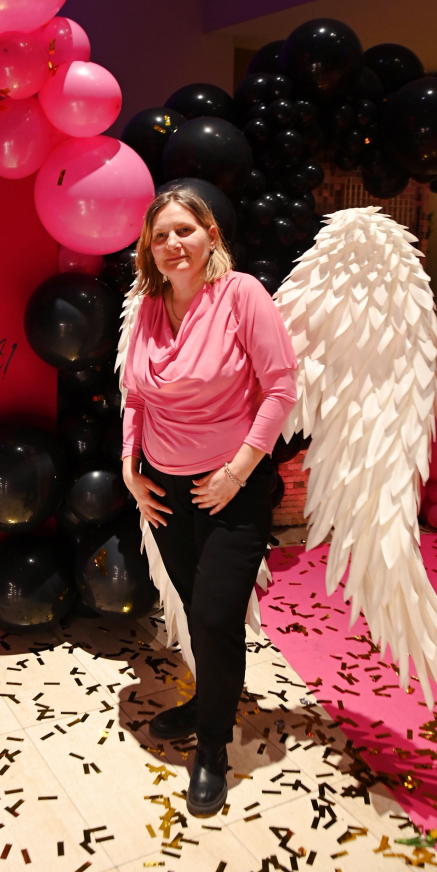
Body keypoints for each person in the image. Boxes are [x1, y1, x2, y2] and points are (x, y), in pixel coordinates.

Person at [121, 185, 298, 817]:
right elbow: (135, 396)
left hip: (232, 489)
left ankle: (214, 747)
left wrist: (237, 472)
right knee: (200, 615)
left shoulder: (241, 295)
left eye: (184, 230)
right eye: (160, 236)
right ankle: (207, 701)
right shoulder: (150, 306)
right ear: (150, 249)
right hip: (164, 492)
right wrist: (130, 468)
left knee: (218, 617)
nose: (173, 244)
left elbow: (281, 389)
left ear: (211, 235)